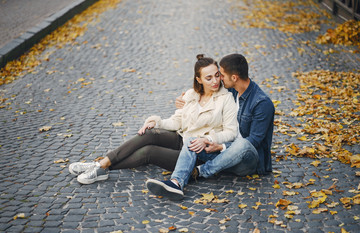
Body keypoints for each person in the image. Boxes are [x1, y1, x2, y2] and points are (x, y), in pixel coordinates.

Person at [68, 54, 238, 185]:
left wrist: (208, 139)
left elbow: (231, 132)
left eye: (217, 75)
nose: (215, 81)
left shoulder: (226, 99)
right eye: (209, 78)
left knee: (149, 152)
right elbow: (177, 121)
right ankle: (100, 166)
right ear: (199, 80)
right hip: (181, 138)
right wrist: (156, 122)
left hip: (195, 152)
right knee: (149, 133)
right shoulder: (191, 94)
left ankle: (101, 166)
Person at [146, 53, 275, 200]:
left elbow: (253, 142)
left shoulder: (262, 103)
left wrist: (220, 147)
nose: (219, 79)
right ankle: (176, 183)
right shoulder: (232, 91)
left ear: (234, 78)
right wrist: (186, 99)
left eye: (221, 75)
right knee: (193, 140)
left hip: (248, 160)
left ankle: (200, 171)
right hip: (224, 156)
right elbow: (206, 82)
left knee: (243, 143)